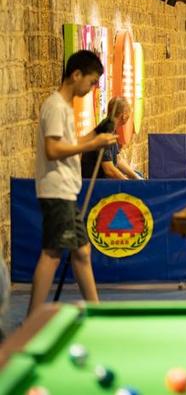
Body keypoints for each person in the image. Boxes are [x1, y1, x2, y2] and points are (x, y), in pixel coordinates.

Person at [29, 50, 118, 316]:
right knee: (52, 254)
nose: (92, 88)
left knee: (82, 252)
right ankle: (32, 319)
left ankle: (95, 312)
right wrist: (93, 144)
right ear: (76, 74)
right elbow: (53, 150)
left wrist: (97, 133)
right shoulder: (56, 107)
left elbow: (71, 143)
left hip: (66, 190)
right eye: (91, 82)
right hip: (57, 190)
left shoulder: (65, 108)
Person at [81, 97, 143, 180]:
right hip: (95, 183)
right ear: (124, 115)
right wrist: (128, 183)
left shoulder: (110, 126)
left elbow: (118, 160)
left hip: (101, 180)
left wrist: (136, 177)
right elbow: (109, 170)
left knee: (138, 174)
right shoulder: (106, 130)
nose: (129, 116)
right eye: (129, 113)